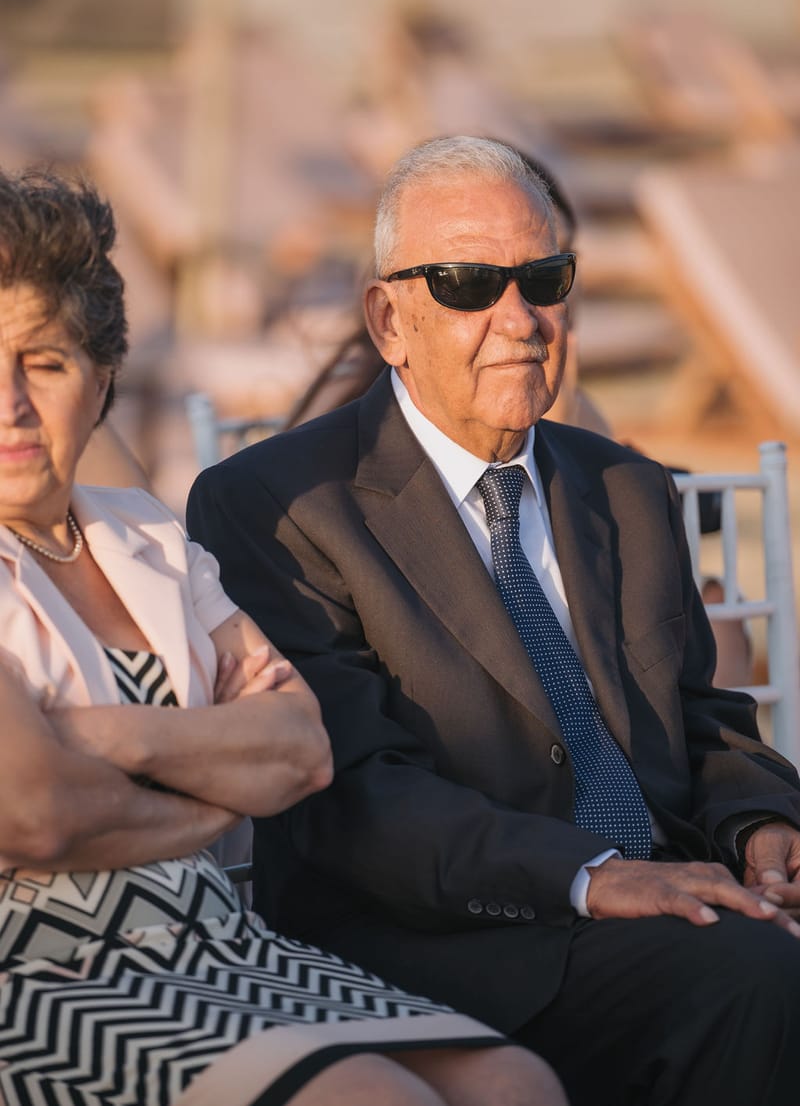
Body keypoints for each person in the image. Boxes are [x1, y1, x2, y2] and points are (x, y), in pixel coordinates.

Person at [189, 136, 800, 1106]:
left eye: (541, 277)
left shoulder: (626, 487)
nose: (517, 318)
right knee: (756, 979)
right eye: (469, 282)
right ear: (388, 318)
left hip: (672, 904)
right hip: (444, 940)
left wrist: (761, 822)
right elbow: (353, 794)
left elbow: (704, 721)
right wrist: (589, 875)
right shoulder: (278, 505)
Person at [0, 168, 567, 1106]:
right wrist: (212, 798)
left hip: (216, 943)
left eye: (45, 363)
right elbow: (37, 815)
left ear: (100, 381)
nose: (13, 406)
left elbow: (299, 751)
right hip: (43, 975)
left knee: (515, 1083)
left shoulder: (144, 539)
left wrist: (97, 738)